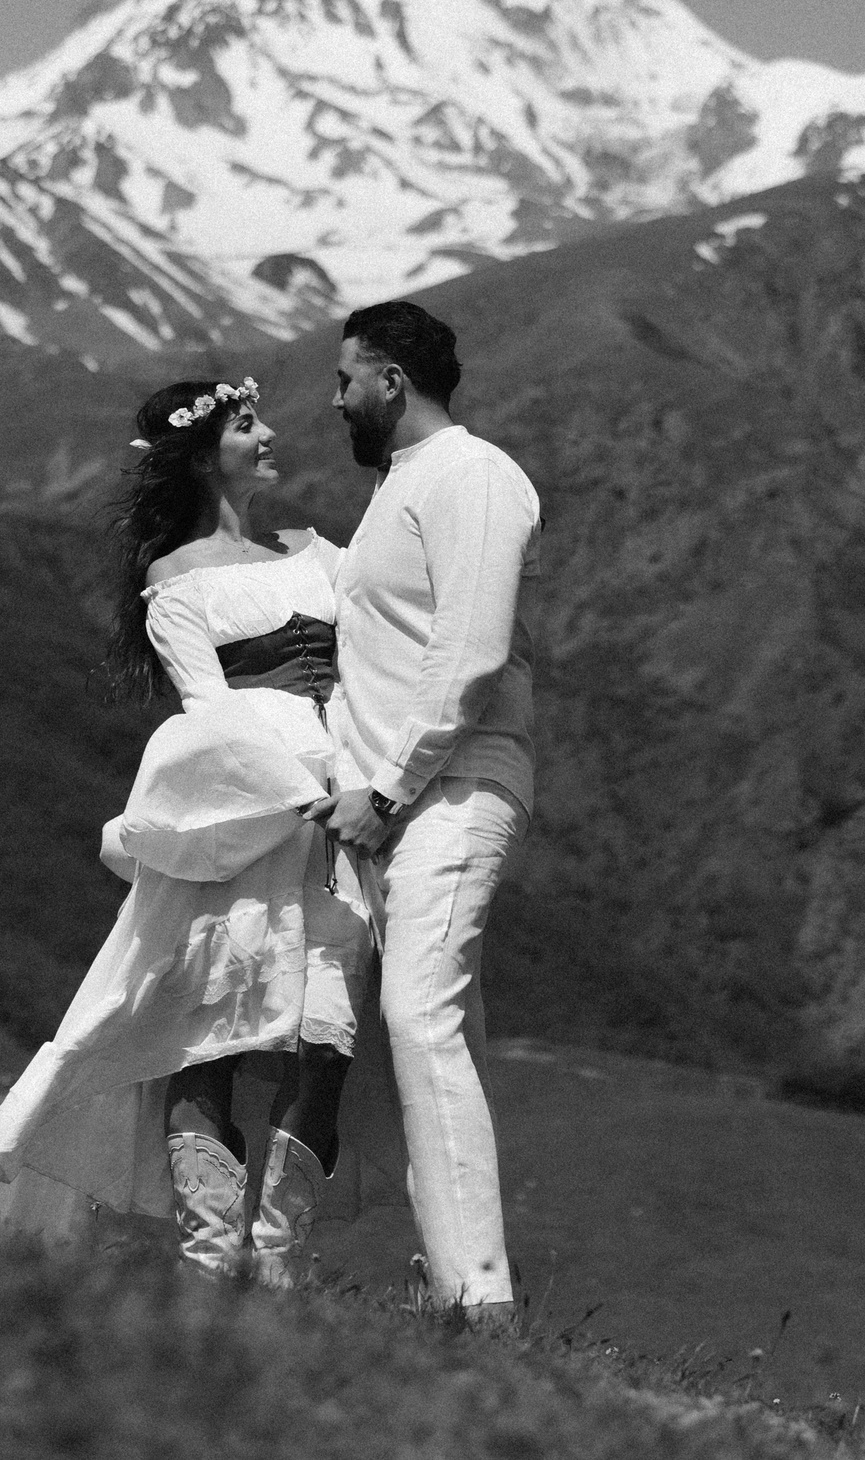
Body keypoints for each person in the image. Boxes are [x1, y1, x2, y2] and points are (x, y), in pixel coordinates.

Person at [0, 376, 395, 1285]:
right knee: (211, 1035)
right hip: (244, 813)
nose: (269, 433)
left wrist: (371, 778)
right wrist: (294, 786)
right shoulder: (176, 580)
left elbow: (372, 662)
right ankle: (211, 1261)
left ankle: (275, 1264)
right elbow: (208, 710)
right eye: (247, 424)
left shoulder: (319, 552)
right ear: (204, 458)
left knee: (326, 1034)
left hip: (338, 807)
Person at [307, 300, 540, 1319]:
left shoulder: (473, 475)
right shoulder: (403, 485)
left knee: (418, 1016)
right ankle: (457, 1287)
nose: (335, 399)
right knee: (434, 1034)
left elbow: (471, 647)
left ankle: (477, 1297)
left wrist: (389, 786)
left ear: (392, 380)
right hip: (402, 802)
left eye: (345, 378)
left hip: (451, 787)